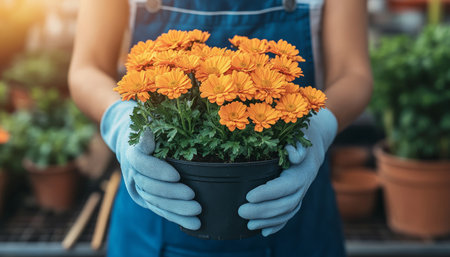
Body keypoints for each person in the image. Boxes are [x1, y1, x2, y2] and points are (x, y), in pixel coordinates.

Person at [69, 0, 372, 256]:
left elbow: (353, 73)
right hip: (155, 212)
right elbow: (87, 67)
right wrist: (120, 123)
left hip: (296, 207)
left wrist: (319, 127)